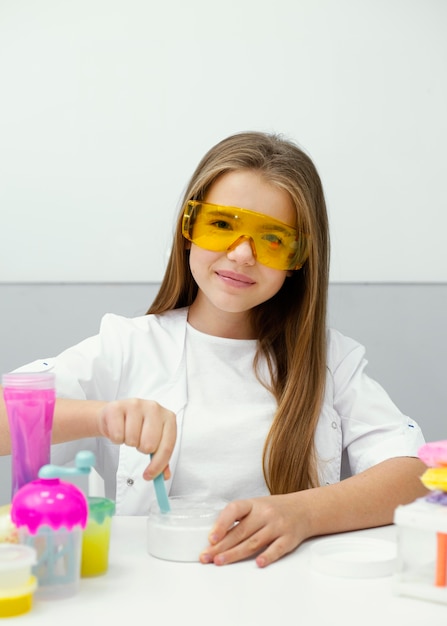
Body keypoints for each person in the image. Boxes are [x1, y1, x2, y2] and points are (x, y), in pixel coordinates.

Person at [0, 131, 428, 568]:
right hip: (150, 589)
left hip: (287, 592)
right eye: (222, 224)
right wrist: (101, 417)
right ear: (188, 228)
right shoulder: (128, 346)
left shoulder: (329, 361)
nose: (242, 253)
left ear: (299, 259)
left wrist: (304, 512)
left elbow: (415, 472)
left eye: (272, 238)